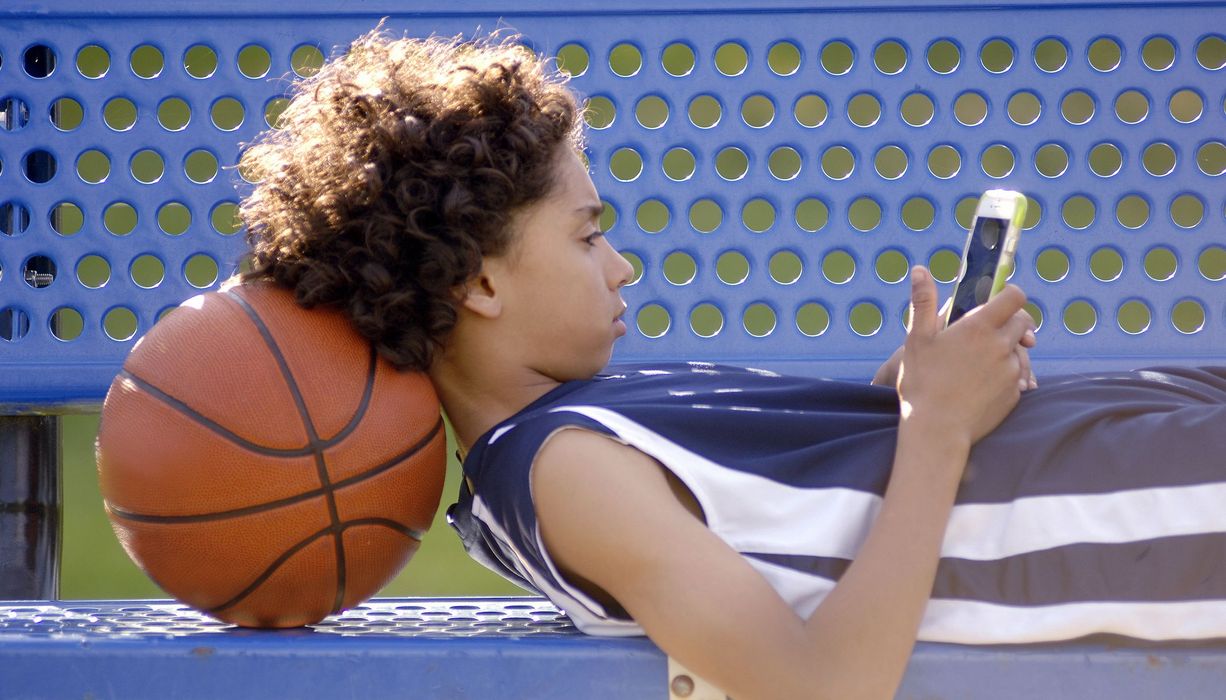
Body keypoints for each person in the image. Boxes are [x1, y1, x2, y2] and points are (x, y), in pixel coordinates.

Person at [238, 28, 1226, 700]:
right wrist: (933, 431)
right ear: (480, 285)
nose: (620, 264)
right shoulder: (559, 469)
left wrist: (911, 392)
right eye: (586, 238)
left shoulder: (585, 416)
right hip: (1132, 510)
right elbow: (813, 682)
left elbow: (808, 498)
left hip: (1131, 447)